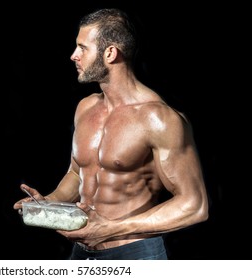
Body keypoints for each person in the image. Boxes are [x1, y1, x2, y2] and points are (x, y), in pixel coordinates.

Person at [13, 8, 209, 260]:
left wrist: (110, 230)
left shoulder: (159, 118)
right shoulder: (85, 108)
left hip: (135, 253)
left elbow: (194, 205)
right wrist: (48, 203)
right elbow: (77, 173)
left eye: (82, 48)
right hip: (82, 251)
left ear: (110, 53)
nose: (74, 56)